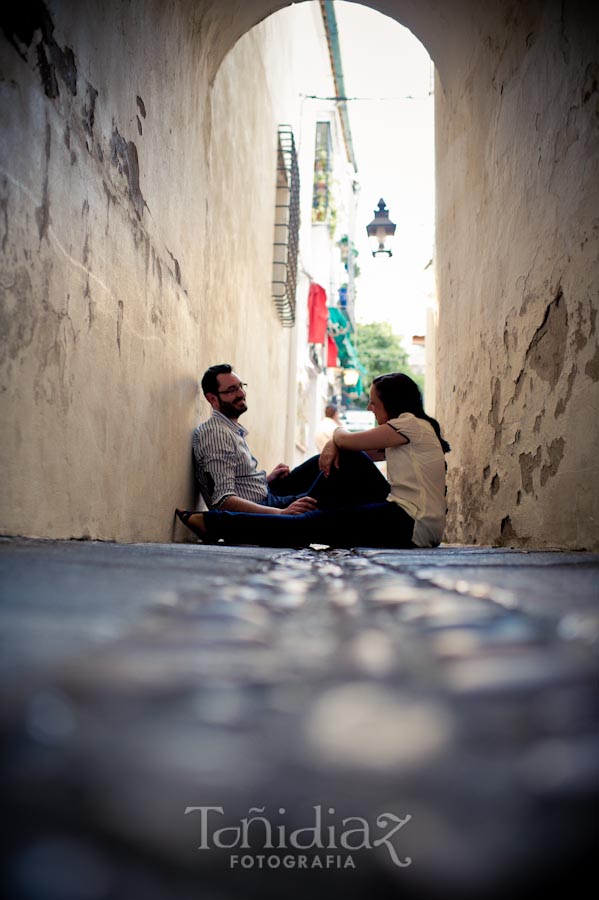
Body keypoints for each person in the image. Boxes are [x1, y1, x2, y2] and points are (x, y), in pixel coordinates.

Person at [176, 371, 450, 549]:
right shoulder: (409, 429)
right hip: (406, 518)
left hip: (411, 524)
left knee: (309, 525)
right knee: (320, 509)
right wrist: (336, 446)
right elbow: (350, 446)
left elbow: (345, 438)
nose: (369, 408)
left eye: (373, 402)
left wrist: (335, 442)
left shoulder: (408, 425)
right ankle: (304, 512)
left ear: (392, 403)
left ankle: (217, 523)